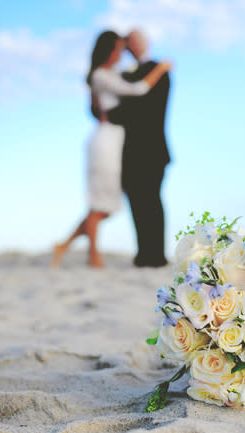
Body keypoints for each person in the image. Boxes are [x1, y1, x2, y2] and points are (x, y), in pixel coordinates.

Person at [52, 31, 171, 268]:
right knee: (102, 203)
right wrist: (161, 68)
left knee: (107, 204)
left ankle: (67, 246)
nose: (121, 53)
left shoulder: (114, 75)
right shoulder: (103, 75)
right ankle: (93, 256)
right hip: (107, 141)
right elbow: (137, 91)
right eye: (119, 49)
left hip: (118, 142)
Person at [94, 29, 172, 268]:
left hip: (152, 148)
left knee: (152, 201)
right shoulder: (123, 76)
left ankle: (156, 255)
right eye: (128, 43)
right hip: (127, 149)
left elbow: (149, 108)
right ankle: (143, 254)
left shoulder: (158, 73)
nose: (132, 47)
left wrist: (115, 114)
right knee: (137, 202)